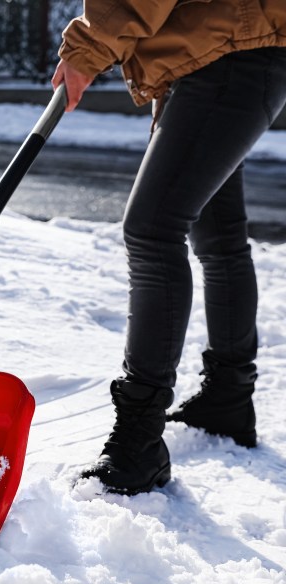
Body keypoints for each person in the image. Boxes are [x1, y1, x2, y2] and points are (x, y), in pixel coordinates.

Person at [51, 0, 286, 495]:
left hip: (225, 51)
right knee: (219, 236)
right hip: (232, 49)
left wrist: (90, 45)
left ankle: (139, 441)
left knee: (152, 230)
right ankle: (228, 397)